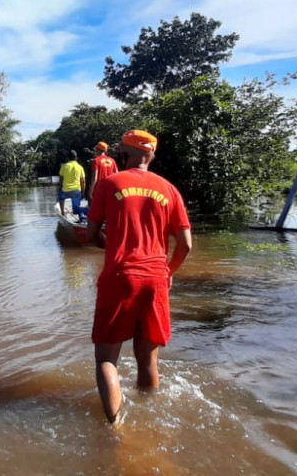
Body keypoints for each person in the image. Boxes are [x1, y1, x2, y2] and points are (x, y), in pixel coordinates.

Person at [86, 130, 192, 424]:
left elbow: (92, 235)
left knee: (107, 359)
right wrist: (168, 273)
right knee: (148, 360)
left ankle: (115, 428)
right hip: (157, 279)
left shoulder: (110, 184)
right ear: (152, 155)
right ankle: (151, 418)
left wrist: (110, 240)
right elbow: (186, 245)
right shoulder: (169, 189)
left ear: (124, 154)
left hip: (120, 277)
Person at [58, 150, 86, 216]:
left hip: (65, 191)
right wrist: (83, 193)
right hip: (76, 191)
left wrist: (61, 187)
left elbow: (61, 179)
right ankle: (81, 217)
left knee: (61, 197)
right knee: (76, 210)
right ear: (76, 158)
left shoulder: (64, 166)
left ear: (68, 158)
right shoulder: (80, 167)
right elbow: (83, 182)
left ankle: (62, 213)